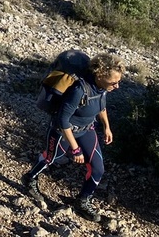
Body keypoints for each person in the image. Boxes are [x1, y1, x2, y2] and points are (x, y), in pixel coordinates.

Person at [22, 52, 125, 223]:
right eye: (114, 82)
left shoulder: (102, 88)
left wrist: (107, 126)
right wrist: (75, 148)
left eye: (118, 82)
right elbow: (63, 120)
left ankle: (82, 201)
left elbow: (101, 105)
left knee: (98, 168)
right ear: (99, 75)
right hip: (63, 131)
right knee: (50, 157)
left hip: (87, 129)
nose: (117, 86)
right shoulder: (79, 89)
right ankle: (30, 178)